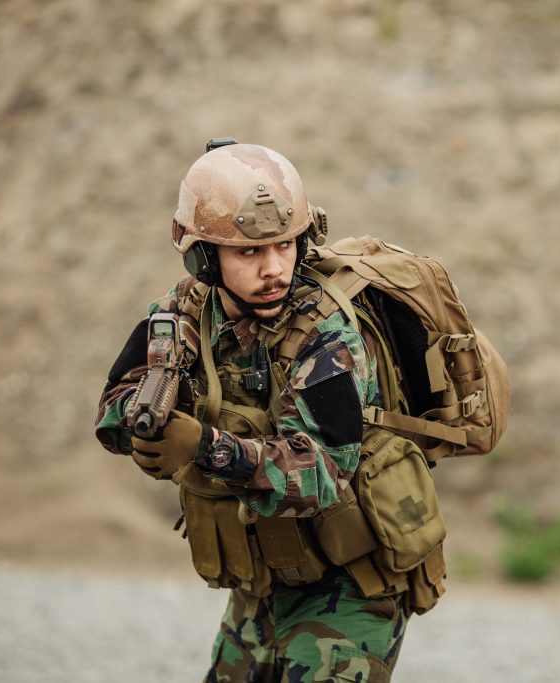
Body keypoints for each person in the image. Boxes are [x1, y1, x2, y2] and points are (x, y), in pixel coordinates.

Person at [94, 141, 444, 682]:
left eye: (284, 245)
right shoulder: (183, 313)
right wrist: (147, 430)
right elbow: (112, 410)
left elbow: (321, 475)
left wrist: (205, 447)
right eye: (249, 253)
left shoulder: (326, 334)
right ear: (203, 257)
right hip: (261, 581)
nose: (274, 268)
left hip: (351, 582)